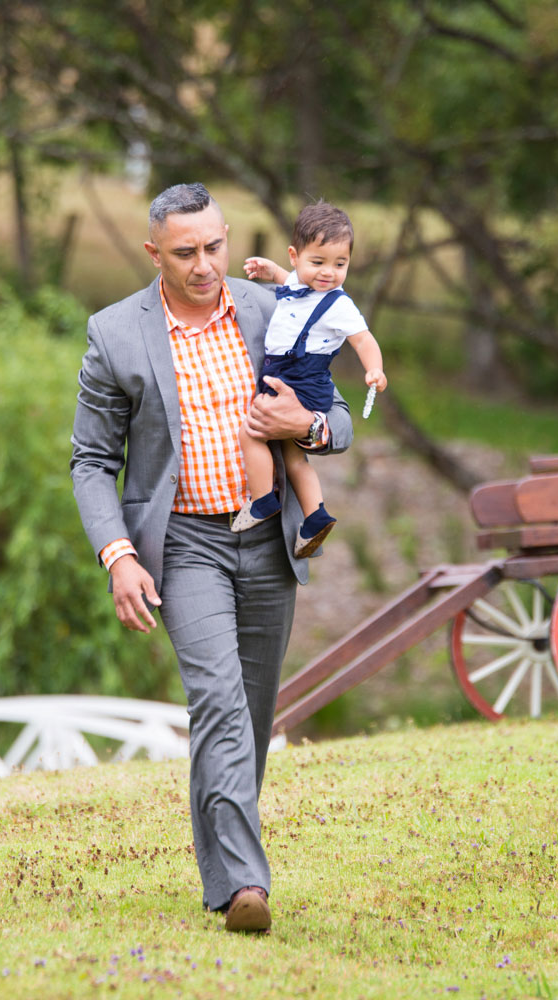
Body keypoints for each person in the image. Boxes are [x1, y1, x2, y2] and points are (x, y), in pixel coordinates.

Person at [69, 183, 353, 933]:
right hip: (185, 543)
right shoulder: (116, 334)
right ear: (153, 252)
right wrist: (118, 555)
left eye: (214, 247)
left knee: (250, 717)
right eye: (186, 252)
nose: (204, 266)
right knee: (218, 701)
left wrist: (310, 424)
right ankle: (244, 887)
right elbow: (92, 460)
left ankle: (222, 870)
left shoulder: (272, 309)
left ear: (230, 238)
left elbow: (341, 418)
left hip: (266, 540)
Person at [237, 202, 386, 557]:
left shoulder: (337, 303)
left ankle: (262, 501)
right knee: (293, 459)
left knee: (251, 431)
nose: (328, 274)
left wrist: (374, 368)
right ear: (295, 256)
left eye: (340, 264)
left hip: (299, 381)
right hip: (294, 376)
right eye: (318, 262)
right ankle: (316, 515)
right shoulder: (298, 283)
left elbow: (363, 339)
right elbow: (285, 280)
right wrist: (268, 268)